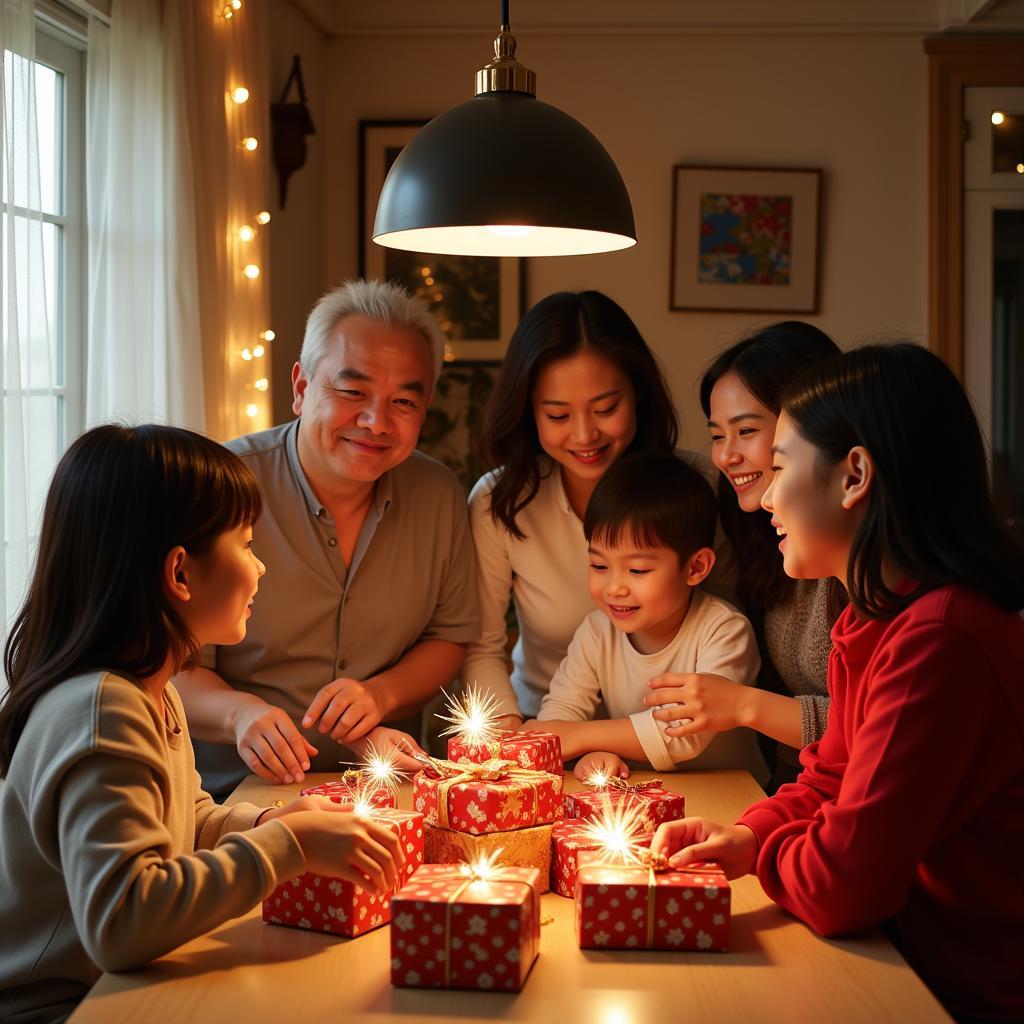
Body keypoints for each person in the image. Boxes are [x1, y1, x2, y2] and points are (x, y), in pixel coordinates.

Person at [651, 344, 1024, 1023]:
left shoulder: (940, 637)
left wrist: (781, 853)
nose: (764, 495)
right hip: (898, 955)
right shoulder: (873, 615)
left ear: (854, 476)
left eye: (782, 465)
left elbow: (844, 885)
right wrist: (750, 838)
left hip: (954, 987)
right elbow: (830, 778)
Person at [0, 425, 404, 1024]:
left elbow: (184, 824)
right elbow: (123, 922)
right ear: (181, 574)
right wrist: (288, 847)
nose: (261, 568)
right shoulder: (102, 711)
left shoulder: (150, 693)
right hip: (69, 1007)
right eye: (246, 544)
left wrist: (272, 820)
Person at [176, 279, 480, 798]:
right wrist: (241, 715)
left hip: (390, 792)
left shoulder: (437, 494)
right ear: (301, 387)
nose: (375, 422)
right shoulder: (220, 487)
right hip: (232, 799)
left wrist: (381, 695)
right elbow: (173, 661)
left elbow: (450, 636)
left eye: (403, 402)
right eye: (352, 391)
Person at [464, 290, 736, 726]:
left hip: (677, 737)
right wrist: (512, 738)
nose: (585, 435)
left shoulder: (698, 485)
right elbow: (482, 646)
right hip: (547, 726)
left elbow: (725, 616)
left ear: (639, 394)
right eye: (557, 416)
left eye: (606, 408)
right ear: (527, 412)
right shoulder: (500, 502)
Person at [644, 323, 843, 789]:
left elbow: (878, 728)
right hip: (799, 790)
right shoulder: (757, 537)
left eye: (746, 430)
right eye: (717, 436)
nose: (726, 456)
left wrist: (743, 704)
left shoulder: (862, 562)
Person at [523, 452, 765, 784]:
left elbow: (682, 733)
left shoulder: (724, 631)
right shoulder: (596, 632)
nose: (614, 587)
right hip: (642, 794)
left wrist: (581, 737)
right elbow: (560, 717)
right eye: (599, 565)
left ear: (695, 568)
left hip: (734, 797)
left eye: (637, 570)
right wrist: (591, 752)